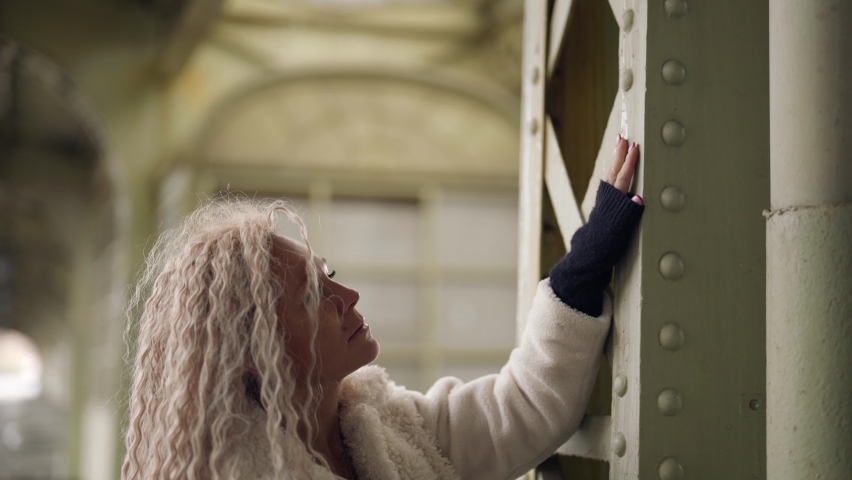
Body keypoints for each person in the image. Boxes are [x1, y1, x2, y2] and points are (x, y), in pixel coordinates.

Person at [122, 136, 643, 480]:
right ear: (255, 353)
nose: (347, 298)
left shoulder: (383, 421)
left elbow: (522, 408)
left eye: (329, 276)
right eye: (310, 297)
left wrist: (587, 259)